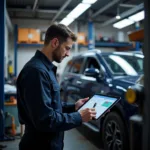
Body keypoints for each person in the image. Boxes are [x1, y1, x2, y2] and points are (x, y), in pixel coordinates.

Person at [16, 23, 96, 150]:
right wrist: (79, 117)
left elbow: (49, 106)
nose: (68, 54)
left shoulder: (46, 70)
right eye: (67, 48)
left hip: (49, 143)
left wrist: (74, 107)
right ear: (54, 43)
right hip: (40, 145)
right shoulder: (37, 72)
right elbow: (46, 120)